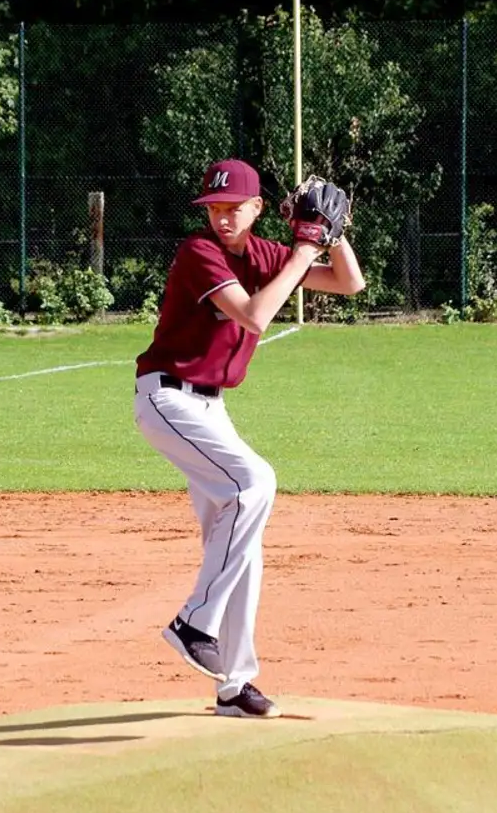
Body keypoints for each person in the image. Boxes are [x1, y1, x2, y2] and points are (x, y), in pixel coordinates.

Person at [134, 159, 361, 718]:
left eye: (234, 207)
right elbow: (256, 316)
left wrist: (334, 236)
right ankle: (195, 622)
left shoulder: (260, 254)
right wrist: (305, 249)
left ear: (258, 209)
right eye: (214, 208)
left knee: (240, 539)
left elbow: (348, 282)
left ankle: (234, 685)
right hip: (167, 399)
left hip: (210, 408)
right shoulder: (199, 253)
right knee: (255, 482)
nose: (222, 217)